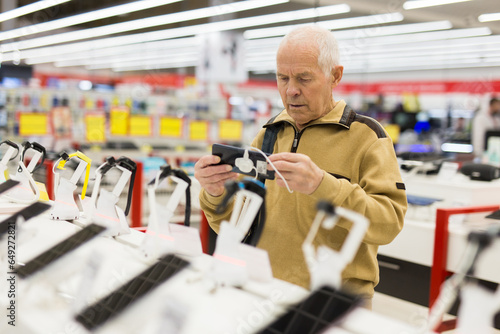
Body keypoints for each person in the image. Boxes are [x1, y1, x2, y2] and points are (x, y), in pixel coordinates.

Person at [194, 25, 407, 305]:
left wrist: (323, 185)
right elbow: (237, 226)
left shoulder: (367, 136)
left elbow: (388, 224)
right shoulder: (269, 134)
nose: (291, 90)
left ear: (335, 75)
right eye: (282, 78)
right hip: (264, 293)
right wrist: (215, 193)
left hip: (334, 305)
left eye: (304, 78)